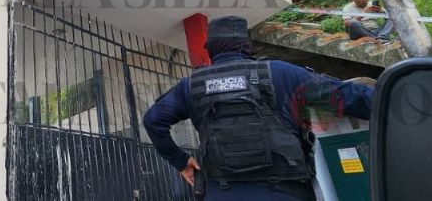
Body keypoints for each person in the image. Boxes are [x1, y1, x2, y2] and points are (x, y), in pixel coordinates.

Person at [143, 16, 373, 200]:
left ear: (211, 49)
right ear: (246, 45)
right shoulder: (281, 72)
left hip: (220, 191)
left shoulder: (191, 85)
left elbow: (153, 120)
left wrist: (181, 162)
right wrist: (392, 98)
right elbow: (345, 96)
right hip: (284, 190)